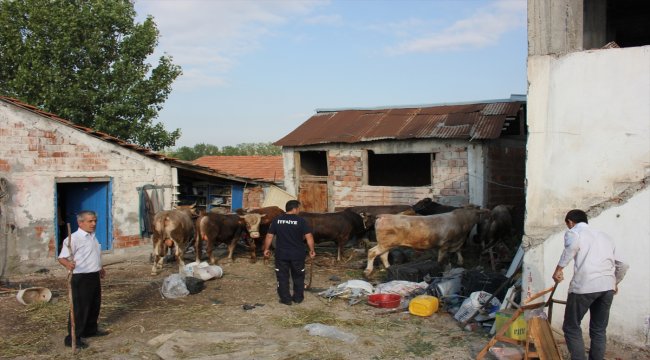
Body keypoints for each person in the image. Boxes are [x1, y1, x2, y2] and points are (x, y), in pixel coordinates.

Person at [552, 209, 629, 360]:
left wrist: (559, 269)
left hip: (584, 286)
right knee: (599, 330)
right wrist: (615, 281)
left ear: (570, 222)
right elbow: (624, 264)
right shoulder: (605, 236)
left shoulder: (574, 232)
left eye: (568, 225)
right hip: (607, 287)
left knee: (571, 327)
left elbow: (572, 248)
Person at [58, 210, 108, 349]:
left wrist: (100, 268)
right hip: (80, 277)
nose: (93, 224)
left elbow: (94, 254)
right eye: (90, 221)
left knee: (94, 305)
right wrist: (68, 264)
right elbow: (61, 258)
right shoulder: (72, 239)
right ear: (80, 223)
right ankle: (73, 337)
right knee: (80, 308)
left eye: (95, 221)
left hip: (93, 275)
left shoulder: (92, 236)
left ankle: (90, 330)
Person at [262, 200, 316, 305]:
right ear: (295, 209)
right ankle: (298, 298)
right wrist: (312, 250)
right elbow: (309, 237)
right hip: (298, 255)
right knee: (298, 276)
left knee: (282, 276)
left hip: (281, 254)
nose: (299, 210)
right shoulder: (301, 221)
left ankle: (285, 299)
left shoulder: (277, 220)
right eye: (298, 208)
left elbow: (269, 236)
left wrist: (266, 249)